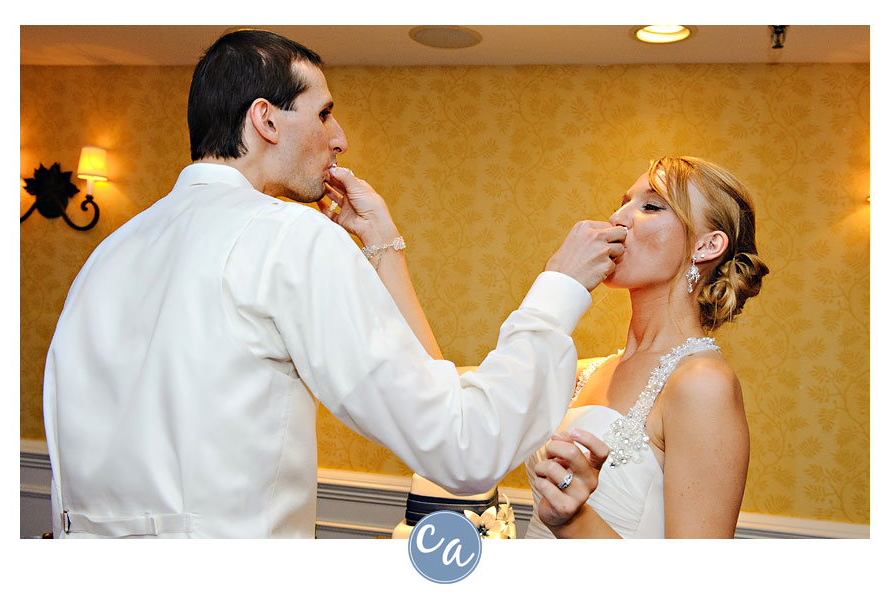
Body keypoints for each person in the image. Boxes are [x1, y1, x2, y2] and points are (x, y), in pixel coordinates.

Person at [42, 29, 628, 538]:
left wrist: (382, 247)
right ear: (265, 119)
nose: (340, 137)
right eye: (323, 113)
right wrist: (558, 291)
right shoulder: (287, 235)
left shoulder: (108, 253)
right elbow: (462, 444)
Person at [525, 156, 769, 539]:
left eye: (651, 206)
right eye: (622, 202)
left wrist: (572, 519)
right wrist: (391, 249)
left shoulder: (703, 384)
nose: (617, 218)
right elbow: (458, 406)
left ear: (707, 245)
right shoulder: (582, 372)